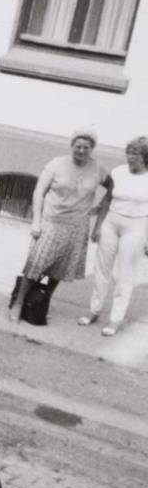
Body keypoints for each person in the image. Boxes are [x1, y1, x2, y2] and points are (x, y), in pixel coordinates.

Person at [9, 130, 109, 324]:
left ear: (92, 149)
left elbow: (112, 189)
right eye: (78, 146)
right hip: (52, 222)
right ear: (72, 146)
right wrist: (36, 221)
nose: (81, 151)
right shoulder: (57, 164)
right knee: (36, 264)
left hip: (77, 226)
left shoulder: (98, 169)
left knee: (61, 269)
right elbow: (39, 192)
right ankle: (18, 303)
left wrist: (99, 213)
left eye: (86, 148)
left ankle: (43, 301)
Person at [81, 135, 148, 338]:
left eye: (135, 153)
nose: (130, 157)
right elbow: (107, 200)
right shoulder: (118, 172)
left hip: (136, 226)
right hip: (111, 222)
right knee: (101, 269)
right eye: (128, 152)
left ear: (145, 156)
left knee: (125, 275)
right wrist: (98, 226)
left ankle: (115, 319)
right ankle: (94, 310)